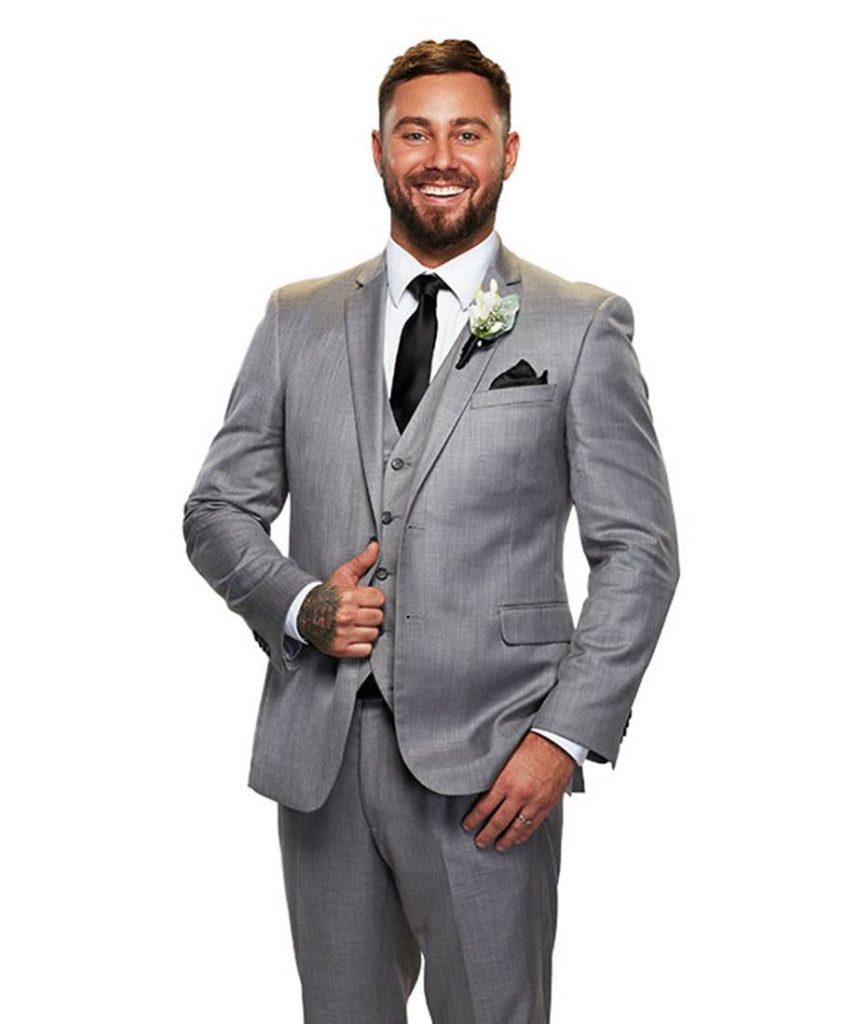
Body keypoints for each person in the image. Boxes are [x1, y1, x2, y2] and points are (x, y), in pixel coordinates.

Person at [183, 38, 679, 1024]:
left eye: (468, 134)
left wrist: (561, 737)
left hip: (494, 761)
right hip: (321, 759)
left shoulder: (577, 327)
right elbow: (216, 509)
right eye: (415, 134)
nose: (441, 157)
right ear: (378, 150)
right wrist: (302, 606)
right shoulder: (297, 319)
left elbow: (638, 551)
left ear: (508, 151)